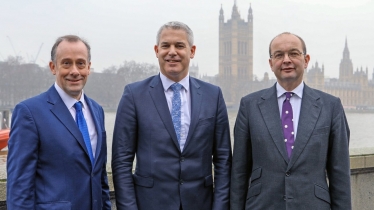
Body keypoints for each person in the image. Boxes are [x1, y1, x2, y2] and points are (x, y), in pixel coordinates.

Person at [112, 21, 232, 210]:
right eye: (166, 46)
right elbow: (121, 160)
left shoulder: (213, 95)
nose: (172, 52)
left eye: (180, 46)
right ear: (156, 50)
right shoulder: (134, 95)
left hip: (200, 204)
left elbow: (223, 159)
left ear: (192, 51)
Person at [230, 32, 351, 210]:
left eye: (293, 53)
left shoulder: (331, 106)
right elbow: (239, 172)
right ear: (271, 64)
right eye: (279, 55)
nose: (286, 60)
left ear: (306, 60)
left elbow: (340, 173)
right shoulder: (249, 105)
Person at [6, 35, 111, 210]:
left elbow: (100, 177)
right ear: (53, 67)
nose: (75, 71)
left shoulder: (97, 110)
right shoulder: (30, 112)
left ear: (89, 68)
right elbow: (19, 186)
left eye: (80, 63)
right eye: (66, 63)